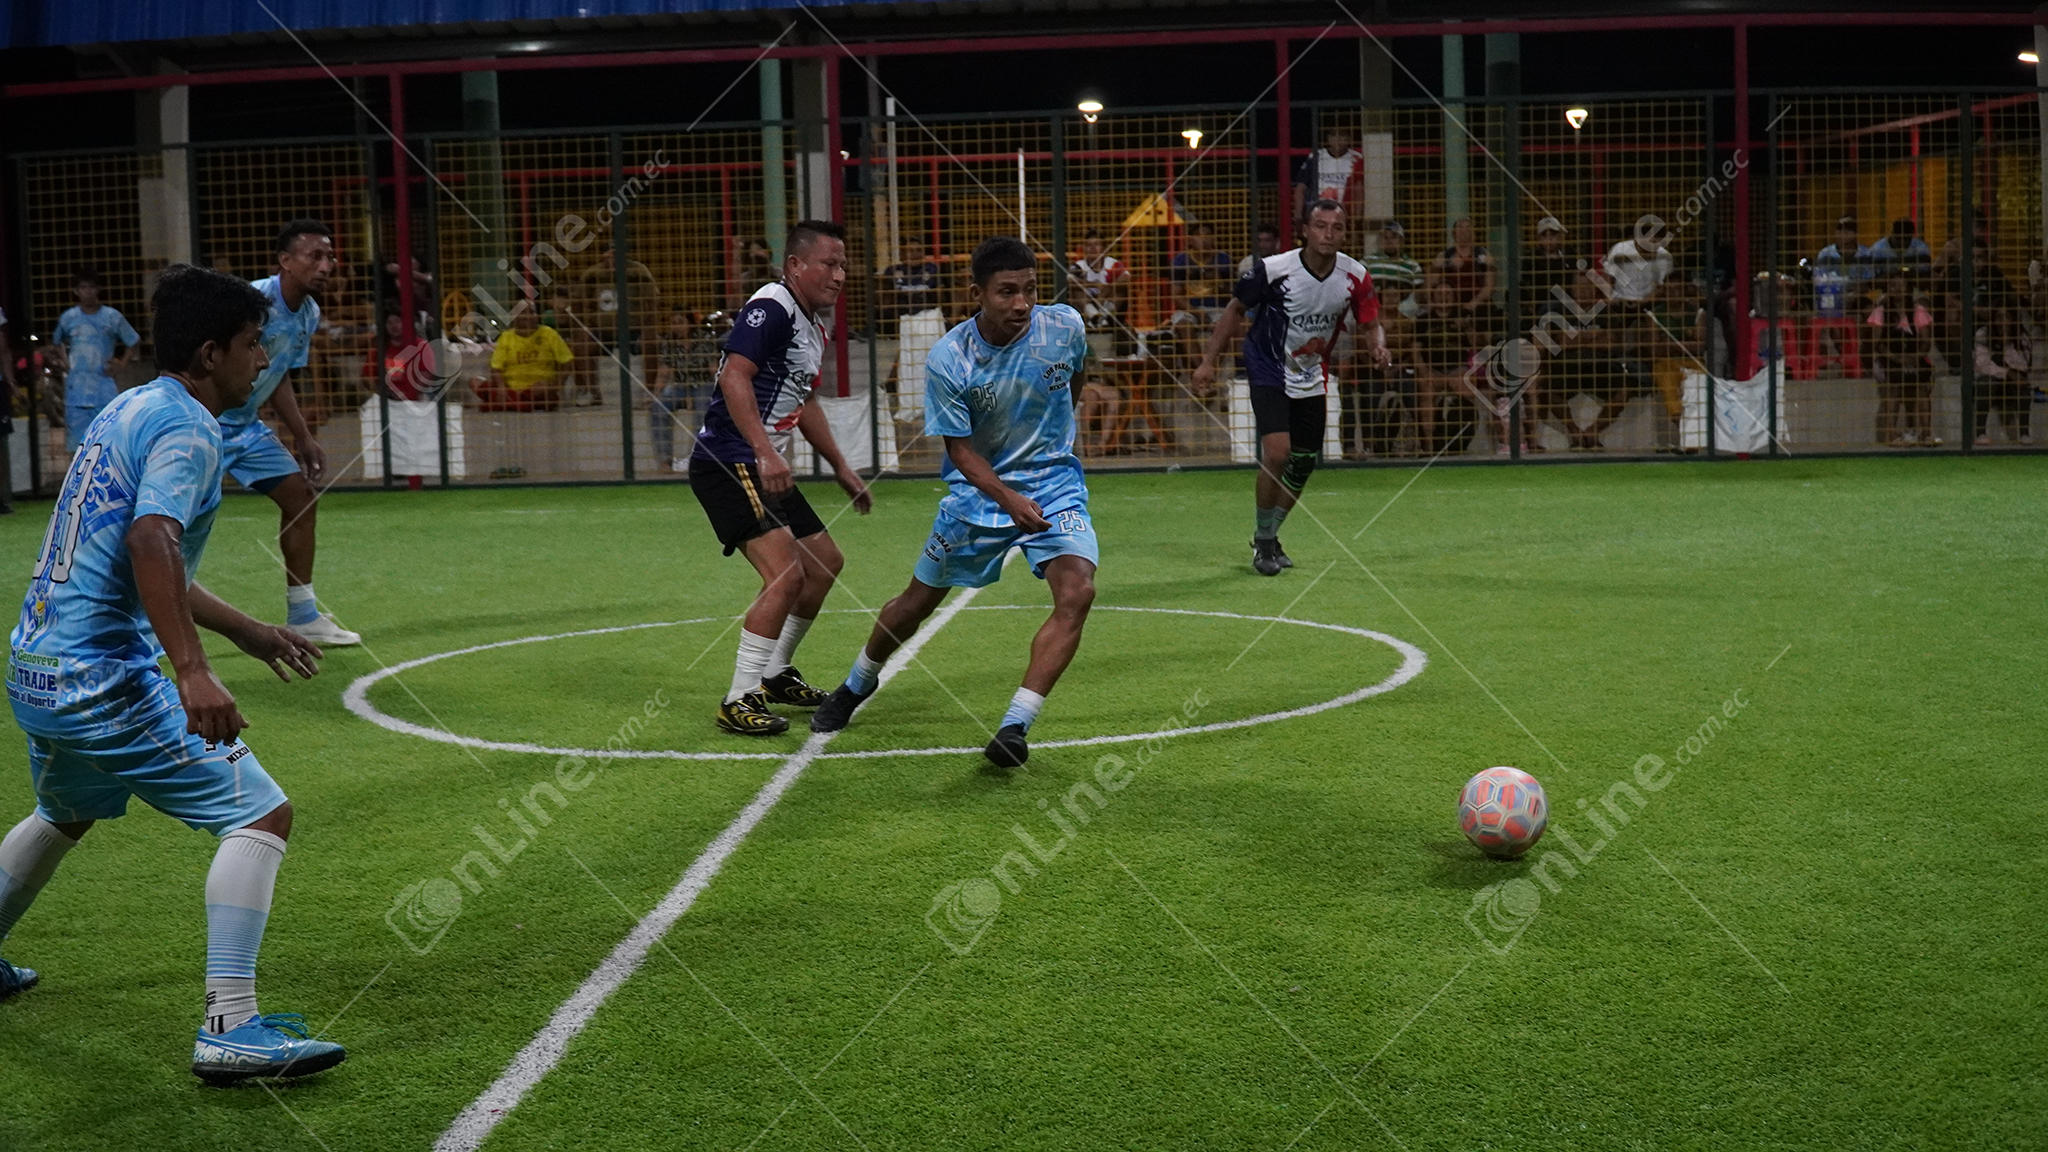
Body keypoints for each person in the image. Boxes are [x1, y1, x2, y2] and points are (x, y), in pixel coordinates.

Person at [0, 263, 343, 1085]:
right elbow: (151, 539)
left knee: (65, 812)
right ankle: (231, 1027)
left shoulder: (129, 407)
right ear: (210, 352)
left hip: (37, 666)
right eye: (252, 343)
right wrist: (192, 671)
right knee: (261, 814)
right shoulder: (189, 427)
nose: (262, 359)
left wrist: (247, 630)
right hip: (100, 679)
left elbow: (139, 550)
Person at [808, 236, 1096, 770]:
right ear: (976, 293)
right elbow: (960, 451)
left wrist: (1054, 441)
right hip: (980, 495)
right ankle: (856, 683)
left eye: (1030, 290)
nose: (1021, 303)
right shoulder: (950, 358)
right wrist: (1007, 496)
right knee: (915, 604)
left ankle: (1015, 726)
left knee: (1078, 591)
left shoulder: (1065, 327)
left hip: (1055, 486)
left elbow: (1076, 373)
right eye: (1006, 292)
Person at [690, 220, 873, 737]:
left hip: (760, 463)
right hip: (730, 462)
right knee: (787, 575)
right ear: (795, 265)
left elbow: (804, 400)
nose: (840, 275)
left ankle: (774, 673)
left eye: (843, 265)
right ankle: (739, 699)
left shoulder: (812, 325)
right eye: (829, 263)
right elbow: (734, 375)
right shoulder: (772, 305)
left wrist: (840, 466)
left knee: (825, 563)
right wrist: (764, 450)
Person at [1192, 198, 1386, 576]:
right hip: (1268, 367)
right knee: (1278, 453)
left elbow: (1371, 323)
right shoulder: (1274, 270)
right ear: (1305, 230)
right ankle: (1265, 542)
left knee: (1303, 462)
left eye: (1337, 227)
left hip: (1312, 374)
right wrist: (1208, 361)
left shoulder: (1355, 276)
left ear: (1345, 233)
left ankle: (1268, 534)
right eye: (1320, 226)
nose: (1328, 234)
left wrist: (1378, 346)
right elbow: (1235, 309)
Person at [232, 220, 359, 647]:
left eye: (330, 257)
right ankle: (143, 628)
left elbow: (280, 373)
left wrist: (303, 436)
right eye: (315, 256)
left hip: (246, 427)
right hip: (205, 424)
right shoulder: (250, 303)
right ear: (285, 261)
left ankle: (303, 616)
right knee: (179, 525)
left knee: (301, 499)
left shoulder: (309, 313)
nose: (326, 266)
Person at [49, 268, 139, 457]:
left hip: (104, 391)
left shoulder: (112, 317)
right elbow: (56, 342)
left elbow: (133, 341)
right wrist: (65, 361)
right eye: (83, 288)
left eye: (91, 287)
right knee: (78, 449)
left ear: (98, 289)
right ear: (76, 291)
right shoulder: (69, 318)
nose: (88, 292)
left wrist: (121, 364)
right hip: (76, 393)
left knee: (107, 445)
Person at [1357, 220, 1425, 456]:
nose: (1390, 241)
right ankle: (1370, 445)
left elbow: (1418, 297)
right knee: (1369, 392)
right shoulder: (1368, 262)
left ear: (1401, 240)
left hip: (1404, 315)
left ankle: (1419, 443)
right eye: (1386, 237)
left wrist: (1399, 316)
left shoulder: (1412, 266)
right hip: (1374, 313)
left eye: (1394, 237)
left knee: (1411, 389)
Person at [1867, 270, 1934, 447]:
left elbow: (1926, 343)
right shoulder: (1880, 311)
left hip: (1915, 357)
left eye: (1901, 285)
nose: (1897, 289)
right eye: (1893, 285)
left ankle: (1926, 434)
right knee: (1894, 388)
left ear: (1908, 288)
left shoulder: (1918, 311)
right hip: (1889, 358)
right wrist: (1896, 358)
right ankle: (1892, 434)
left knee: (1922, 388)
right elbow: (1877, 343)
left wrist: (1914, 358)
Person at [650, 308, 716, 473]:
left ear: (690, 323)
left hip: (702, 383)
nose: (676, 326)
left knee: (702, 410)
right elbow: (664, 372)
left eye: (680, 322)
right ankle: (665, 461)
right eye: (673, 323)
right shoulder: (669, 342)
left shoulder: (704, 338)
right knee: (658, 409)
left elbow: (713, 368)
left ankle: (696, 458)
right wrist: (656, 394)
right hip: (680, 385)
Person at [482, 300, 573, 412]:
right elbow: (496, 368)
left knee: (543, 387)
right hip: (511, 388)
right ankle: (519, 402)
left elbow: (567, 362)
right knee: (475, 382)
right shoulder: (506, 337)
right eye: (524, 312)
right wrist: (501, 387)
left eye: (532, 312)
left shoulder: (549, 333)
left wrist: (557, 386)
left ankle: (509, 402)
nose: (529, 316)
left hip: (539, 390)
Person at [1973, 299, 2032, 446]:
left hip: (2012, 382)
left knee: (2023, 386)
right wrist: (2007, 372)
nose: (2003, 322)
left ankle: (2024, 433)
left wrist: (2006, 344)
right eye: (1999, 317)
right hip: (1992, 380)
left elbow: (2023, 365)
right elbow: (1983, 365)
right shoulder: (1982, 333)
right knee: (1986, 383)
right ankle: (1980, 433)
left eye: (2007, 317)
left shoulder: (2021, 335)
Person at [1292, 125, 1364, 225]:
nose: (1337, 139)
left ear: (1349, 138)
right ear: (1328, 138)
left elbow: (1358, 189)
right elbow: (1301, 186)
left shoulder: (1356, 157)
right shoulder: (1316, 156)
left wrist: (1357, 217)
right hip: (1317, 212)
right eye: (1333, 135)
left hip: (1344, 214)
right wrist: (1298, 214)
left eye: (1342, 135)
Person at [1170, 222, 1236, 329]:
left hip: (1217, 308)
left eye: (1208, 235)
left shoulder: (1223, 259)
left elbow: (1232, 293)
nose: (1204, 239)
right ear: (1190, 240)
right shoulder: (1181, 260)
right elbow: (1176, 296)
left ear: (1214, 239)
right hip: (1190, 309)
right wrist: (1197, 312)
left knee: (1220, 327)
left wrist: (1218, 282)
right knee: (1183, 325)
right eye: (1199, 235)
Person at [364, 311, 435, 401]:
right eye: (389, 323)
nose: (394, 326)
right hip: (388, 398)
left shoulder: (421, 345)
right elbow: (367, 376)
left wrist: (409, 394)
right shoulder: (378, 348)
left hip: (417, 396)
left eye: (398, 321)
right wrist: (382, 393)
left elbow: (427, 374)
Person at [881, 236, 944, 321]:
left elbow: (939, 294)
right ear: (903, 253)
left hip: (927, 312)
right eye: (910, 250)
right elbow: (887, 296)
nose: (915, 254)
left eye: (919, 250)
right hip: (899, 314)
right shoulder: (893, 270)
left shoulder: (932, 269)